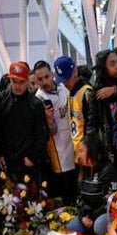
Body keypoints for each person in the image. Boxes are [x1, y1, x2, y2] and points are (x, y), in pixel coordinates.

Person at [33, 60, 78, 204]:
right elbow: (51, 131)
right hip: (59, 153)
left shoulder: (64, 87)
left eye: (47, 76)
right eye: (40, 79)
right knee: (67, 196)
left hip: (75, 146)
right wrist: (49, 120)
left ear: (52, 74)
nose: (44, 81)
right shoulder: (39, 100)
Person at [0, 62, 49, 177]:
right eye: (14, 82)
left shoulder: (35, 103)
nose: (18, 86)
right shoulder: (1, 99)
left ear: (28, 81)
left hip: (28, 161)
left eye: (21, 82)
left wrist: (32, 157)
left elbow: (42, 133)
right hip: (6, 160)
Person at [65, 131, 117, 235]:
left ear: (92, 152)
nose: (78, 156)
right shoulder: (83, 170)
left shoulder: (108, 170)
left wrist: (91, 218)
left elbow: (110, 202)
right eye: (77, 152)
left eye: (81, 151)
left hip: (105, 214)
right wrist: (82, 217)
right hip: (88, 215)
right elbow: (79, 199)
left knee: (98, 225)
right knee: (72, 227)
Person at [85, 49, 117, 150]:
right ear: (103, 67)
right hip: (110, 142)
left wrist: (116, 89)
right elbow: (92, 122)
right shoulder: (97, 92)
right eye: (112, 64)